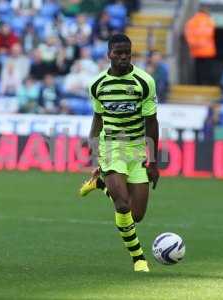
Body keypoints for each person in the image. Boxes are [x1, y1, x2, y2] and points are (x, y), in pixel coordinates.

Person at [79, 34, 159, 272]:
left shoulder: (144, 82)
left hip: (136, 150)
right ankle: (139, 258)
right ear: (109, 54)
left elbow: (152, 122)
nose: (123, 56)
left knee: (136, 215)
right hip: (111, 147)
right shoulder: (97, 85)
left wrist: (153, 162)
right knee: (122, 206)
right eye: (118, 52)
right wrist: (94, 149)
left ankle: (100, 185)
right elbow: (98, 118)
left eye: (127, 52)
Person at [184, 5, 216, 85]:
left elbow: (188, 35)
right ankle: (206, 83)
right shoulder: (209, 21)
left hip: (195, 50)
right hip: (207, 50)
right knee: (207, 68)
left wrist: (194, 44)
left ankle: (198, 83)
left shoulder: (191, 21)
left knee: (198, 68)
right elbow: (211, 34)